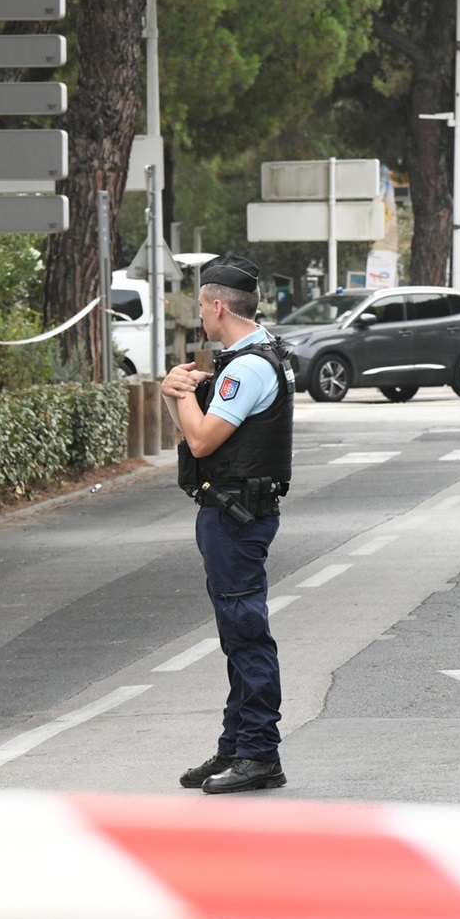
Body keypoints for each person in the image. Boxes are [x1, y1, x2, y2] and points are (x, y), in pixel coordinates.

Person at [161, 253, 295, 795]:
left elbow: (201, 440)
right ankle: (235, 747)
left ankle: (260, 753)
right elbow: (197, 436)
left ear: (218, 306)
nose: (200, 316)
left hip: (237, 517)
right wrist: (180, 398)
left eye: (201, 307)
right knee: (235, 635)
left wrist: (181, 395)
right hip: (232, 510)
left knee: (246, 634)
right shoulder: (254, 354)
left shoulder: (247, 367)